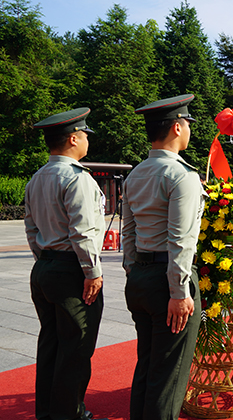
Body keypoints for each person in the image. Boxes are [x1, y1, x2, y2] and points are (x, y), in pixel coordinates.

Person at [123, 94, 208, 420]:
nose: (188, 129)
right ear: (176, 127)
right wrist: (178, 291)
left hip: (142, 276)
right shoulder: (182, 175)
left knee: (147, 365)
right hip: (168, 283)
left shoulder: (136, 174)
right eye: (187, 123)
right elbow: (181, 241)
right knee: (168, 378)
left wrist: (135, 270)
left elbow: (128, 234)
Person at [25, 108, 108, 420]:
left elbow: (31, 229)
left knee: (50, 343)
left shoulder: (36, 179)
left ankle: (47, 411)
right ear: (74, 139)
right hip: (72, 270)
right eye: (84, 135)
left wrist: (45, 259)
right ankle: (70, 413)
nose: (86, 140)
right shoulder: (78, 178)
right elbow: (83, 231)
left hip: (45, 267)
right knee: (76, 348)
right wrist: (93, 272)